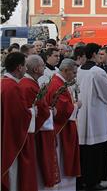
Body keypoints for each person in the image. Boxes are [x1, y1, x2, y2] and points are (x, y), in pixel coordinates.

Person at [77, 44, 107, 191]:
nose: (100, 55)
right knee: (96, 148)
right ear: (93, 54)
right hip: (95, 115)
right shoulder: (97, 72)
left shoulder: (80, 70)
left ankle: (82, 180)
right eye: (99, 53)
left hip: (82, 112)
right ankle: (93, 181)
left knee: (84, 149)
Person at [47, 59, 82, 190]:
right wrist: (76, 106)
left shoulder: (60, 82)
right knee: (63, 162)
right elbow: (61, 110)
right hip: (62, 131)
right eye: (73, 72)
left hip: (66, 129)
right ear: (65, 70)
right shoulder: (57, 84)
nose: (75, 75)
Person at [18, 55, 51, 191]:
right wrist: (48, 111)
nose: (44, 67)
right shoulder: (28, 86)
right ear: (37, 69)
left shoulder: (30, 83)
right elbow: (32, 111)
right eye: (43, 65)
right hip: (34, 134)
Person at [1, 52, 33, 191]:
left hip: (4, 134)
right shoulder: (13, 87)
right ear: (19, 67)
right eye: (25, 66)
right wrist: (34, 111)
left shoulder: (4, 83)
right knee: (13, 176)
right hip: (10, 139)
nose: (26, 69)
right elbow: (19, 116)